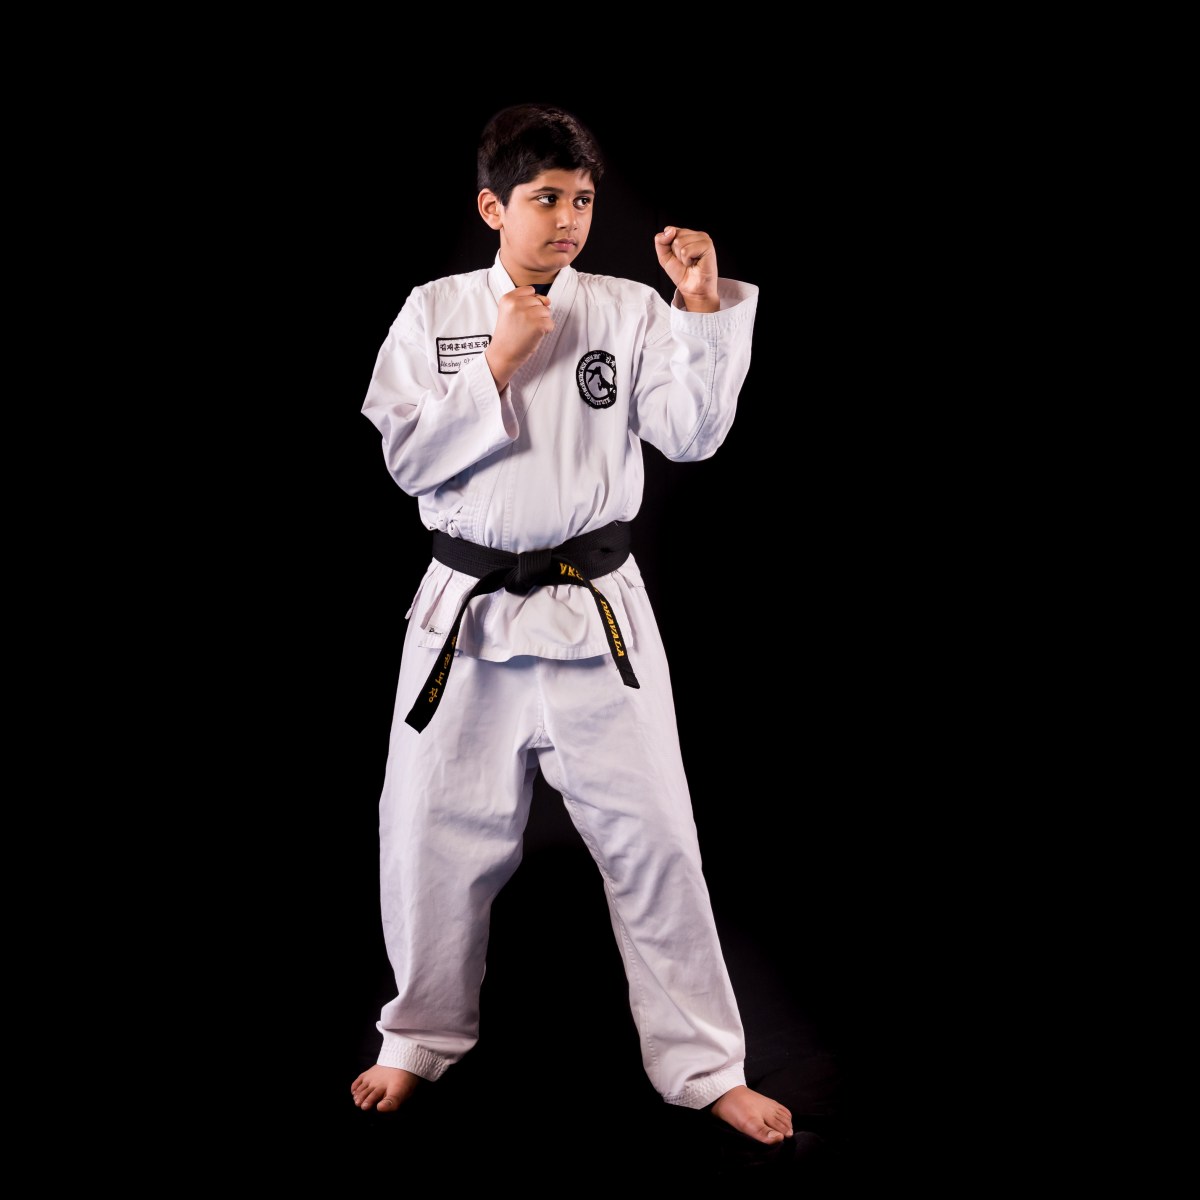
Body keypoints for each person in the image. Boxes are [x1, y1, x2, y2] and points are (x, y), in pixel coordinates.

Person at [350, 102, 793, 1147]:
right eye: (546, 198)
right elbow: (406, 458)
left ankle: (706, 1067)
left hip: (598, 618)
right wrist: (495, 364)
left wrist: (699, 308)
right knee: (425, 839)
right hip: (465, 622)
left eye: (583, 200)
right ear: (492, 207)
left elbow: (690, 437)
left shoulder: (628, 309)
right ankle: (415, 1039)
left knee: (658, 845)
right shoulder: (435, 311)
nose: (568, 219)